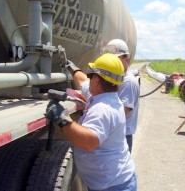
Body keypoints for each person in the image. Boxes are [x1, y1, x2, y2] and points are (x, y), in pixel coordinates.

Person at [45, 53, 137, 191]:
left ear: (96, 81)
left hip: (113, 186)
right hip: (114, 181)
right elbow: (82, 81)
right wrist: (72, 68)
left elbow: (88, 142)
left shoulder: (103, 109)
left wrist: (62, 118)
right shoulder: (106, 96)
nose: (89, 79)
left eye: (91, 75)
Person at [103, 39, 140, 153]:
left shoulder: (127, 82)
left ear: (126, 58)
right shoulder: (117, 78)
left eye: (116, 60)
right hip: (115, 135)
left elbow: (121, 113)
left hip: (121, 138)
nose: (112, 64)